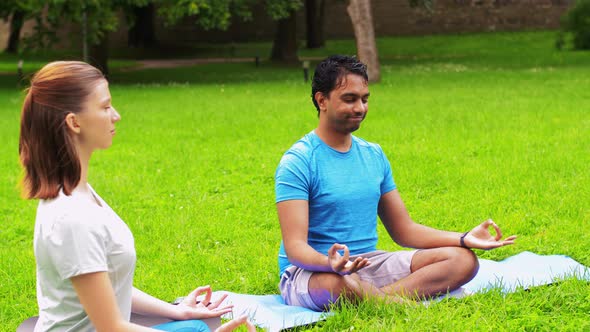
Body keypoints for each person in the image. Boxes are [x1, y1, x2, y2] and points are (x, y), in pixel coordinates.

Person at [19, 61, 254, 332]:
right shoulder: (73, 218)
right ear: (74, 122)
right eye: (105, 107)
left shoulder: (78, 192)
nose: (115, 115)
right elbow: (112, 327)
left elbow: (107, 289)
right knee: (201, 329)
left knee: (198, 322)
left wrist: (178, 311)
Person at [275, 55, 517, 311]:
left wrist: (464, 238)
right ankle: (389, 302)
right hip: (312, 272)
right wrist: (330, 263)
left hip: (369, 264)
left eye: (364, 99)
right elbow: (295, 249)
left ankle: (375, 298)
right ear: (321, 100)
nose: (360, 108)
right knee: (341, 286)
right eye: (349, 99)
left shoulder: (373, 155)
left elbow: (404, 230)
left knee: (463, 261)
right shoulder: (299, 161)